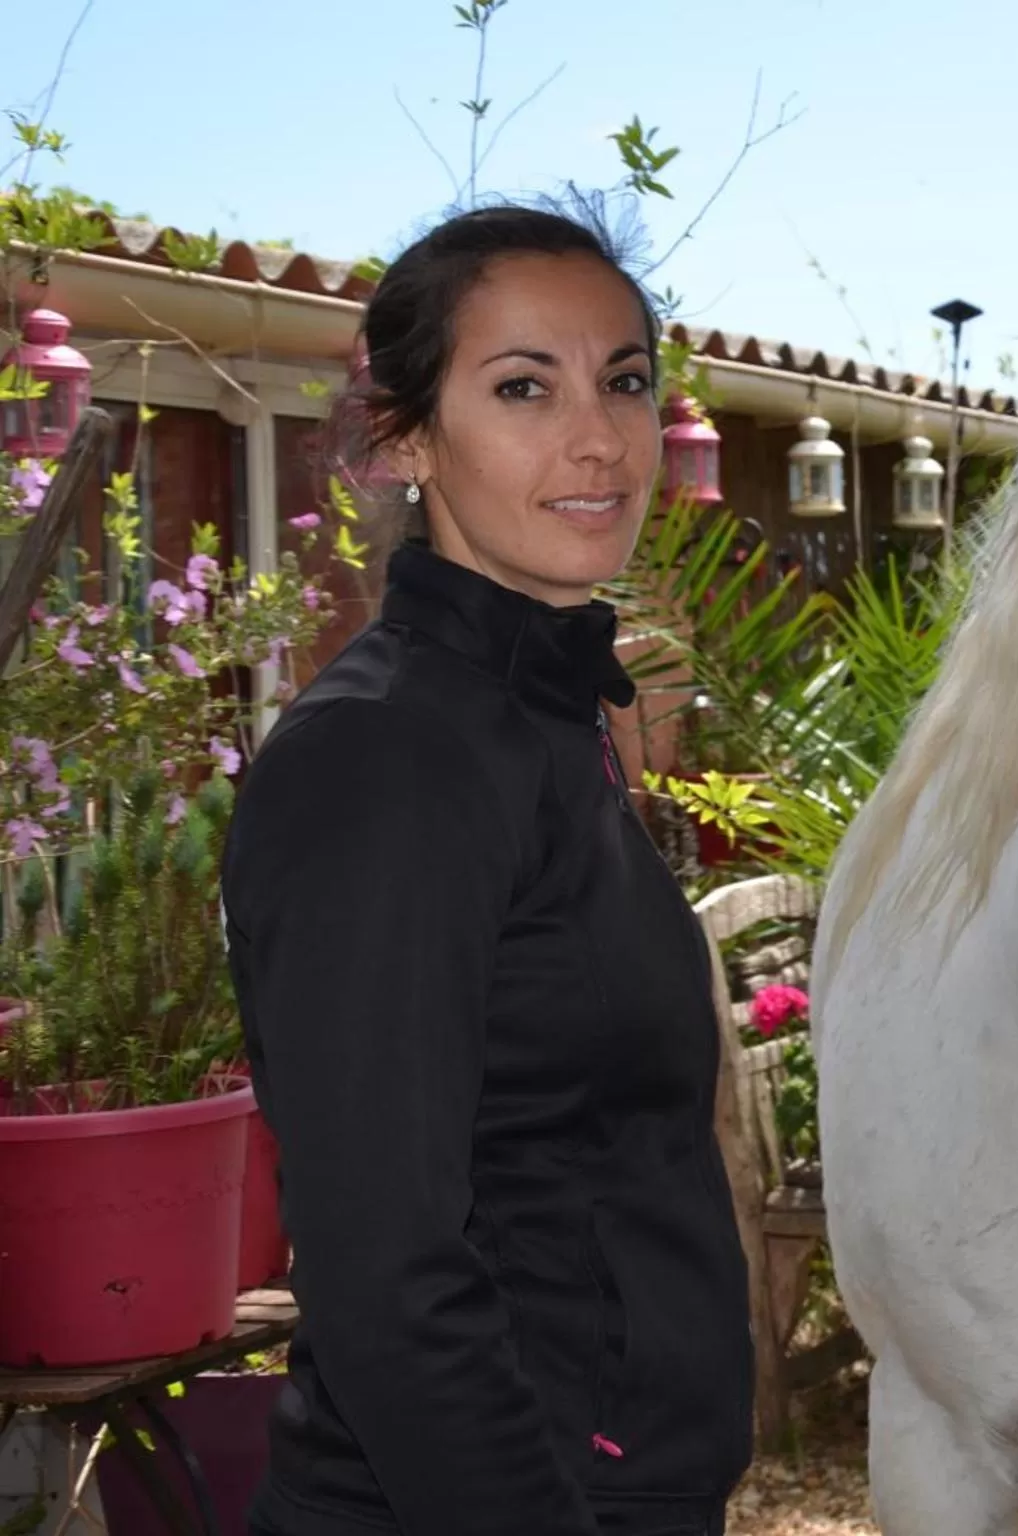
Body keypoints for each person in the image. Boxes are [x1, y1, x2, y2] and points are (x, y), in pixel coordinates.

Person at [220, 199, 754, 1536]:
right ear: (406, 436)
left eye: (623, 381)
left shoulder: (538, 719)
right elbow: (390, 1275)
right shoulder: (388, 756)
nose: (599, 438)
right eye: (523, 386)